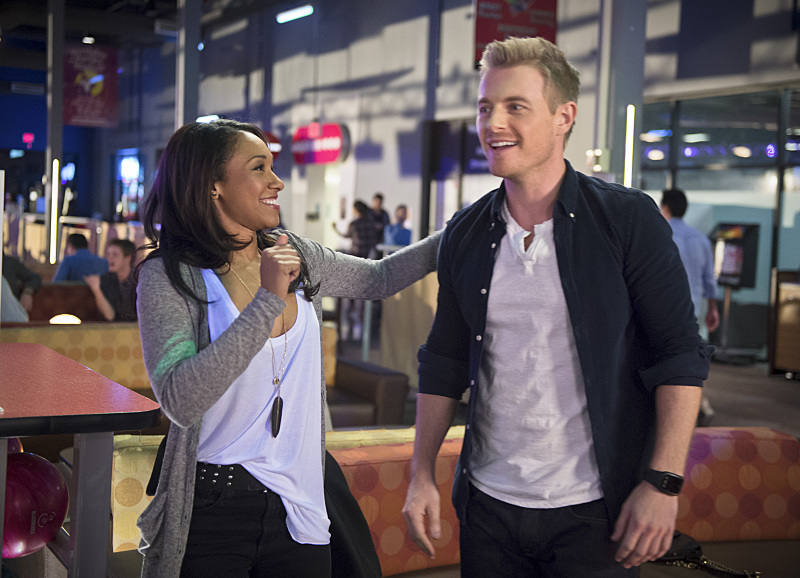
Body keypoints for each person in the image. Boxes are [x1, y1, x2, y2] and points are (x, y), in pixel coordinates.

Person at [402, 36, 711, 577]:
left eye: (515, 107)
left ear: (564, 116)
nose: (493, 123)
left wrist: (662, 483)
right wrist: (421, 474)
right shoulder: (466, 233)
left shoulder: (627, 220)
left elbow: (679, 354)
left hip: (594, 511)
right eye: (485, 107)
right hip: (487, 507)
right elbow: (443, 360)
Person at [135, 119, 440, 577]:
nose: (277, 182)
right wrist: (268, 300)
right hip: (213, 507)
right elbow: (180, 399)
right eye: (259, 168)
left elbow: (380, 278)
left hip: (300, 504)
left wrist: (463, 230)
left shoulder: (292, 251)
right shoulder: (169, 276)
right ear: (213, 185)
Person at [660, 190, 719, 335]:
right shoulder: (701, 239)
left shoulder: (661, 236)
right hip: (692, 310)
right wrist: (713, 309)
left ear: (665, 208)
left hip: (663, 308)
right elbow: (709, 279)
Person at [84, 238, 137, 321]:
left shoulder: (139, 280)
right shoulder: (105, 280)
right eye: (108, 254)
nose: (110, 258)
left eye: (115, 255)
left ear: (128, 258)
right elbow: (109, 316)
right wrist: (96, 289)